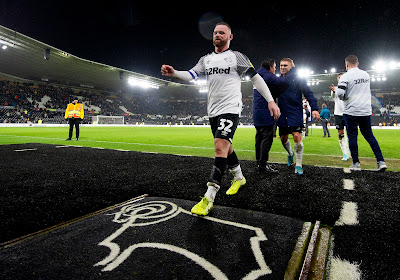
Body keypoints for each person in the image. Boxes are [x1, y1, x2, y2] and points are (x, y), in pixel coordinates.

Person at [161, 22, 280, 216]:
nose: (218, 35)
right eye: (215, 32)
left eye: (222, 32)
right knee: (226, 146)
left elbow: (256, 79)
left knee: (219, 146)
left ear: (230, 37)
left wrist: (270, 101)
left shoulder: (237, 57)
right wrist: (174, 73)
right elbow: (191, 75)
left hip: (231, 107)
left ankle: (209, 196)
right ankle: (239, 177)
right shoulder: (205, 60)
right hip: (213, 111)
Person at [336, 55, 387, 171]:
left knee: (352, 137)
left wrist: (345, 97)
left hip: (351, 111)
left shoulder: (345, 77)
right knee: (369, 135)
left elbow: (339, 94)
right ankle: (381, 161)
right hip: (365, 110)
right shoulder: (366, 75)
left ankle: (356, 163)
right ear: (357, 63)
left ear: (346, 65)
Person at [277, 58, 320, 175]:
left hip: (295, 112)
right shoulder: (278, 80)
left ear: (291, 66)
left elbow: (308, 93)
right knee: (283, 138)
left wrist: (315, 108)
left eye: (285, 65)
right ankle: (290, 154)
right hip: (282, 113)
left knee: (296, 136)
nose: (282, 67)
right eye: (281, 65)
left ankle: (299, 164)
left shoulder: (298, 79)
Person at [253, 58, 295, 174]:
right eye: (275, 67)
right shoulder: (266, 75)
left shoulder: (258, 74)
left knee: (259, 137)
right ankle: (262, 165)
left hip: (257, 112)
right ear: (270, 67)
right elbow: (284, 83)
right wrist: (293, 70)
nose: (275, 70)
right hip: (265, 112)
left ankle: (259, 162)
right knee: (267, 138)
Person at [330, 73, 350, 161]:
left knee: (351, 134)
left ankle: (351, 152)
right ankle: (345, 154)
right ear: (337, 80)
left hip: (348, 113)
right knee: (340, 134)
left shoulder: (349, 88)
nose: (341, 79)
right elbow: (333, 96)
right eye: (339, 78)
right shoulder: (335, 89)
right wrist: (334, 91)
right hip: (338, 114)